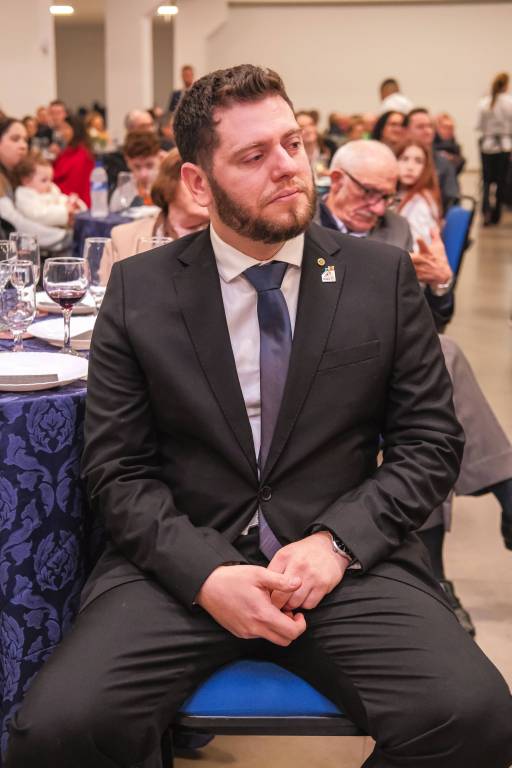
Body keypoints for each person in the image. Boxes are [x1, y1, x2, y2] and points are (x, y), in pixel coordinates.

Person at [7, 64, 512, 768]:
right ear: (196, 183)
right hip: (181, 565)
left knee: (476, 716)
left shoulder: (377, 275)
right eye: (253, 156)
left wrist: (336, 543)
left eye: (292, 143)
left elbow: (430, 444)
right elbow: (117, 471)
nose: (288, 168)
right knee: (56, 731)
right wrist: (206, 574)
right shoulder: (140, 289)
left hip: (343, 565)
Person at [316, 139, 512, 633]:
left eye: (388, 196)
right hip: (323, 369)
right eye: (369, 193)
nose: (378, 206)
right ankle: (504, 489)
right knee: (443, 368)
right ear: (335, 181)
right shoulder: (301, 228)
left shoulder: (395, 228)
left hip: (388, 365)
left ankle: (437, 574)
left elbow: (425, 326)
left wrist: (440, 287)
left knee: (427, 413)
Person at [108, 147, 209, 266]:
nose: (207, 189)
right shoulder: (123, 238)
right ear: (169, 182)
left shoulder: (223, 242)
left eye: (212, 182)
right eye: (197, 179)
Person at [0, 117, 70, 249]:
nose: (23, 146)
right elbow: (15, 225)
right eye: (15, 139)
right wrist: (63, 237)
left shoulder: (13, 177)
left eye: (25, 140)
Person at [404, 108, 460, 213]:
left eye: (430, 126)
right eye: (420, 127)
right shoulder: (397, 159)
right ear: (406, 130)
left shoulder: (444, 163)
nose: (428, 131)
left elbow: (451, 199)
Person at [476, 72, 512, 226]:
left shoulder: (484, 102)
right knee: (501, 181)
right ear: (506, 85)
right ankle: (497, 213)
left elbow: (478, 125)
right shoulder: (510, 101)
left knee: (486, 180)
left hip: (488, 146)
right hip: (505, 146)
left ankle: (485, 211)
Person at [395, 139, 443, 249]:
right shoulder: (401, 193)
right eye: (404, 159)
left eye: (418, 161)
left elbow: (417, 250)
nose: (410, 167)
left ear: (426, 168)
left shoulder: (419, 204)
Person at [14, 153, 85, 228]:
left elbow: (60, 198)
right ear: (26, 181)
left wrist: (73, 202)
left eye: (51, 180)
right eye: (44, 180)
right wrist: (65, 210)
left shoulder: (51, 189)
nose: (49, 184)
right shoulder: (24, 195)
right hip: (39, 233)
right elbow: (39, 215)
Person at [109, 130, 163, 212]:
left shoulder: (170, 191)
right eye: (137, 167)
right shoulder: (121, 195)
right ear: (127, 161)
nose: (143, 174)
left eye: (150, 165)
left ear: (160, 157)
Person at [53, 115, 95, 207]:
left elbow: (74, 185)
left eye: (66, 128)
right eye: (61, 128)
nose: (62, 132)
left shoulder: (82, 154)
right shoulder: (69, 150)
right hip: (66, 198)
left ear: (76, 130)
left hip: (77, 203)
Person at [296, 110, 331, 186]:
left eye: (311, 124)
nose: (309, 130)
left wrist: (330, 173)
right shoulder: (291, 155)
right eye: (302, 127)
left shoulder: (330, 146)